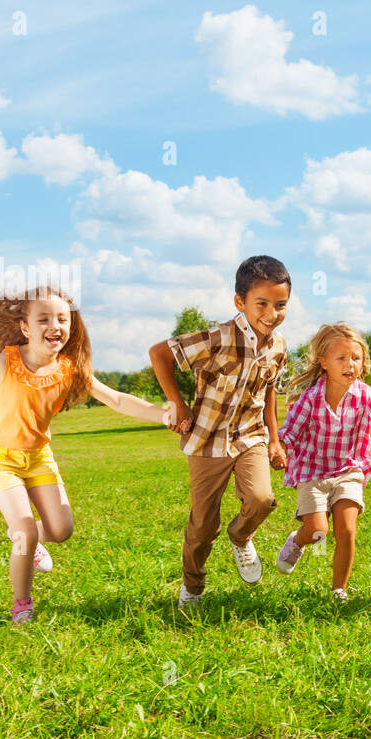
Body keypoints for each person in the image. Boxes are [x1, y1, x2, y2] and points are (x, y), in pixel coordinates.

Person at [0, 285, 174, 624]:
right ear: (25, 328)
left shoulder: (69, 369)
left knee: (60, 530)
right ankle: (21, 604)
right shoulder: (5, 363)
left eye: (61, 318)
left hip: (38, 457)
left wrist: (163, 414)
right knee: (25, 531)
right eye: (43, 319)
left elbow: (115, 399)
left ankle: (28, 541)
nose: (54, 325)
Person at [148, 255, 290, 607]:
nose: (272, 313)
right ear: (240, 302)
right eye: (262, 304)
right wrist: (178, 404)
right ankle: (193, 587)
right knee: (202, 526)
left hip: (249, 435)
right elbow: (159, 354)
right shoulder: (217, 337)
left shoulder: (279, 347)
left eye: (281, 305)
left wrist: (273, 439)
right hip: (206, 439)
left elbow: (268, 392)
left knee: (262, 499)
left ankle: (241, 536)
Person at [274, 323, 371, 601]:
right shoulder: (310, 399)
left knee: (347, 528)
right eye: (341, 358)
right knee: (318, 531)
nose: (349, 364)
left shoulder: (365, 395)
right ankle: (297, 540)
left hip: (349, 470)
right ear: (324, 363)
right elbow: (290, 433)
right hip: (312, 472)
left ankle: (338, 589)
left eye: (355, 357)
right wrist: (280, 449)